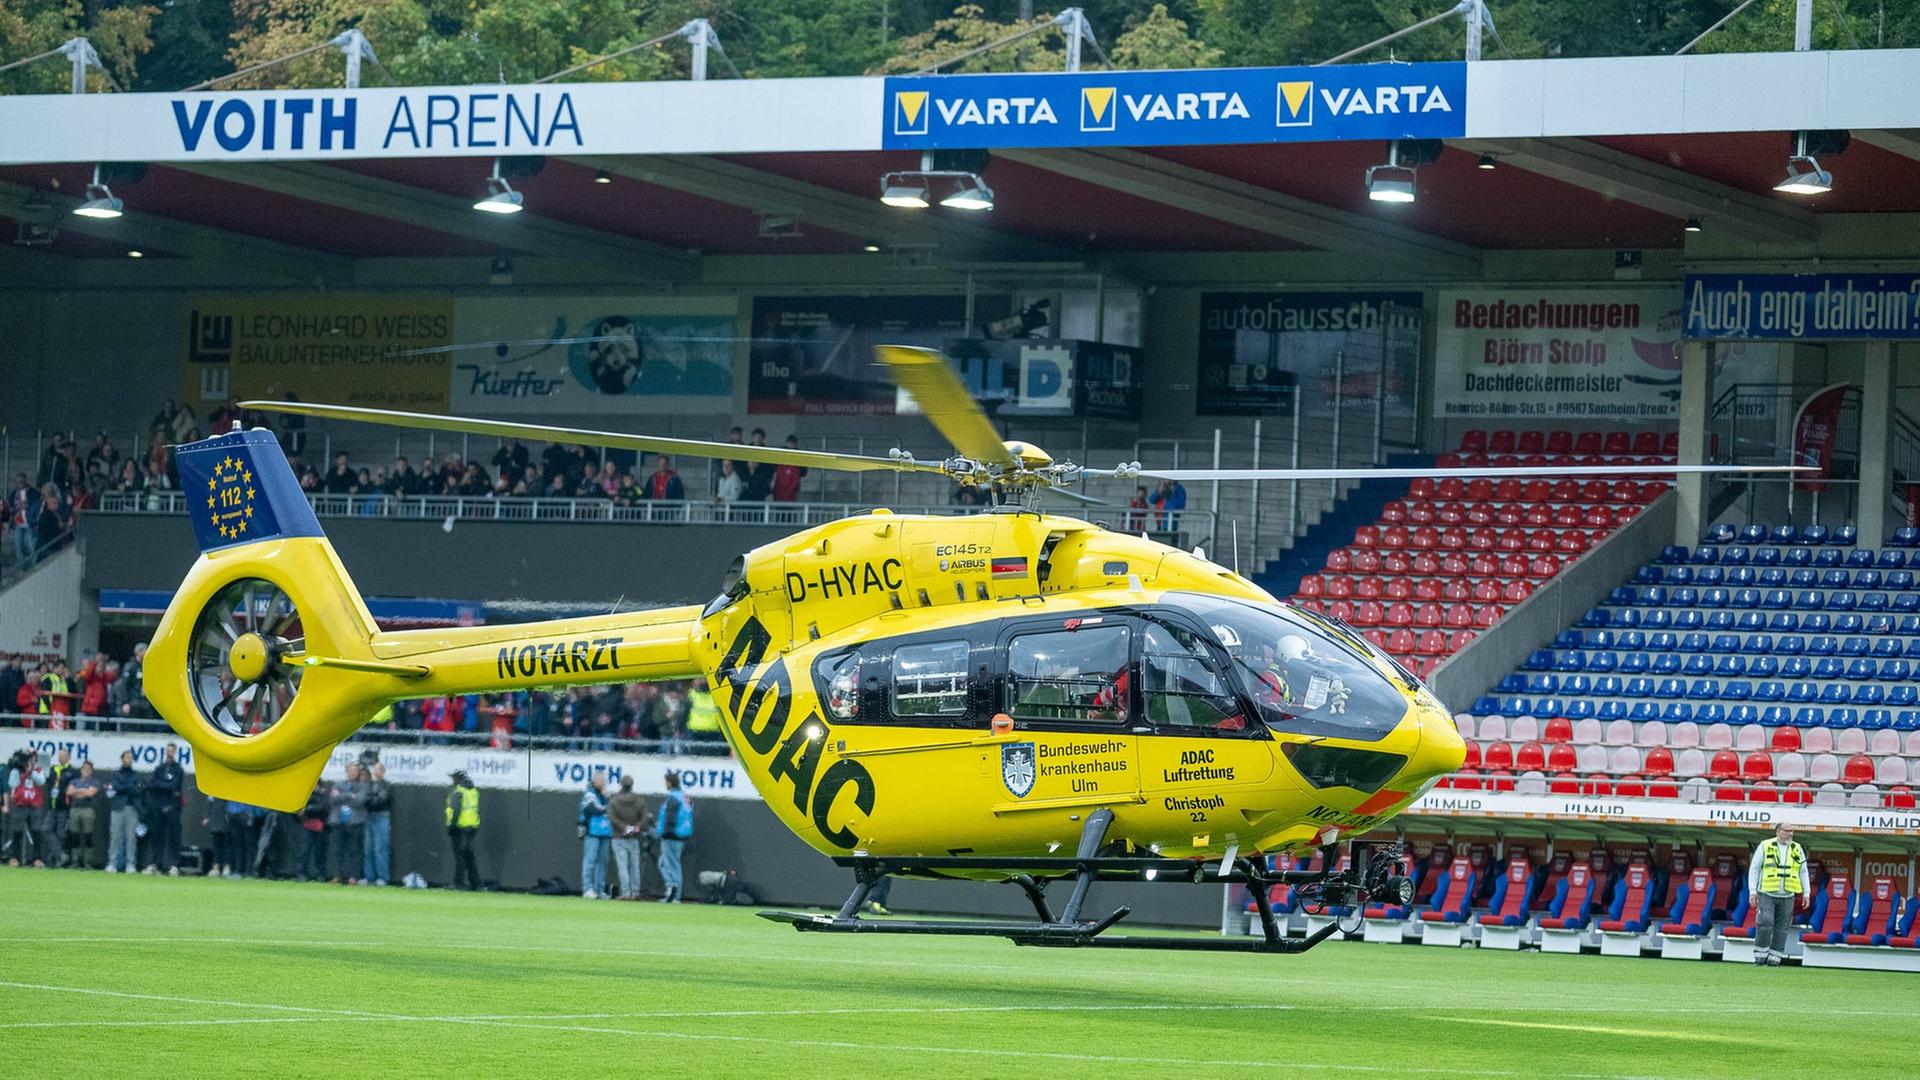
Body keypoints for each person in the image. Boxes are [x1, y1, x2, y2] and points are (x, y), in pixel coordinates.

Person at [1748, 821, 1810, 967]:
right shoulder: (1765, 845)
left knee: (1782, 927)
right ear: (1778, 831)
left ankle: (1775, 958)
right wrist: (1752, 891)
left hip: (1788, 894)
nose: (1790, 834)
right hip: (1766, 892)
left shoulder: (1797, 848)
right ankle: (1760, 956)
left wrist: (1806, 893)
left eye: (1792, 831)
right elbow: (1754, 868)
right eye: (1787, 830)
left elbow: (1803, 871)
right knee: (1765, 921)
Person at [146, 743, 186, 875]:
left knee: (174, 836)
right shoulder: (159, 768)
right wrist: (165, 785)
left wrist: (161, 784)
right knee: (157, 836)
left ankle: (174, 865)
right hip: (159, 806)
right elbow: (152, 785)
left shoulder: (178, 769)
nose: (170, 753)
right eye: (168, 750)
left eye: (172, 751)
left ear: (175, 752)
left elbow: (174, 786)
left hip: (173, 807)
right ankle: (156, 863)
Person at [607, 774, 648, 901]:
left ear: (621, 785)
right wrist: (635, 827)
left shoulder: (614, 800)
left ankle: (626, 892)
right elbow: (645, 817)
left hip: (618, 836)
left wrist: (624, 827)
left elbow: (611, 817)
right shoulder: (639, 800)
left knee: (623, 866)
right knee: (635, 866)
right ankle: (635, 892)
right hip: (634, 837)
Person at [654, 770, 693, 903]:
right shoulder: (684, 797)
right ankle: (671, 889)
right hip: (681, 835)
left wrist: (663, 833)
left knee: (671, 865)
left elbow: (670, 819)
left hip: (671, 836)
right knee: (663, 863)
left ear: (669, 783)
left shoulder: (673, 798)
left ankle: (674, 893)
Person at [5, 750, 47, 866]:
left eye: (32, 758)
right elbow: (12, 784)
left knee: (36, 831)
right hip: (20, 804)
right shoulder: (17, 770)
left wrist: (31, 771)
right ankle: (14, 857)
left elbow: (41, 781)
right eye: (28, 758)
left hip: (35, 805)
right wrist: (17, 770)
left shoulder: (38, 770)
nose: (30, 760)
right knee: (17, 831)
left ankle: (37, 858)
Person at [105, 750, 143, 873]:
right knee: (115, 837)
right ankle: (112, 863)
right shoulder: (115, 774)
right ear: (122, 759)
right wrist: (128, 787)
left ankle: (130, 863)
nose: (129, 759)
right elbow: (114, 786)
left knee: (131, 837)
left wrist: (123, 787)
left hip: (132, 808)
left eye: (131, 758)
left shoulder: (136, 775)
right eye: (127, 757)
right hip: (117, 808)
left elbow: (138, 790)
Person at [331, 763, 367, 884]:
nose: (353, 773)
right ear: (346, 772)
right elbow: (333, 799)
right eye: (351, 770)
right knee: (338, 850)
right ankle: (337, 875)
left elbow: (359, 801)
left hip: (355, 822)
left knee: (354, 850)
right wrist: (349, 795)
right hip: (338, 821)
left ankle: (353, 876)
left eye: (355, 771)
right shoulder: (337, 784)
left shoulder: (363, 786)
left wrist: (341, 796)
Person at [578, 772, 612, 899]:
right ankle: (587, 888)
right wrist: (607, 807)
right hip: (591, 832)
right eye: (599, 780)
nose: (602, 783)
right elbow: (593, 809)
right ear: (594, 781)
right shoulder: (589, 794)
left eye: (603, 781)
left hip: (605, 831)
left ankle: (599, 889)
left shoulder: (605, 796)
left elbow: (612, 808)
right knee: (590, 860)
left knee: (603, 861)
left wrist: (608, 798)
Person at [445, 770, 481, 890]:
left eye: (454, 778)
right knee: (469, 856)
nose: (452, 781)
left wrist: (451, 826)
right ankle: (475, 883)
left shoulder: (459, 792)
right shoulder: (473, 791)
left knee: (460, 857)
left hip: (459, 828)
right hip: (472, 827)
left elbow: (455, 811)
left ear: (458, 779)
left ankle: (458, 882)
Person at [65, 760, 102, 869]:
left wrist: (78, 791)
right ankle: (75, 861)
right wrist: (83, 791)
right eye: (84, 768)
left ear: (91, 771)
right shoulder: (74, 781)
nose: (86, 770)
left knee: (88, 836)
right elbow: (69, 792)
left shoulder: (94, 782)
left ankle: (88, 862)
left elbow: (91, 793)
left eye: (88, 769)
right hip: (75, 809)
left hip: (88, 810)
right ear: (81, 770)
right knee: (74, 836)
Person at [43, 748, 75, 868]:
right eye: (60, 755)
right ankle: (60, 854)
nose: (61, 757)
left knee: (61, 834)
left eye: (64, 755)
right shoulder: (53, 769)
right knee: (46, 829)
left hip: (64, 807)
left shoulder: (71, 771)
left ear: (68, 757)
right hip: (52, 806)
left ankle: (55, 861)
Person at [363, 762, 393, 886]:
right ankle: (369, 877)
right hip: (369, 817)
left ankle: (382, 877)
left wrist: (372, 799)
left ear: (383, 771)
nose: (376, 772)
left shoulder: (387, 785)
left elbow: (382, 800)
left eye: (379, 770)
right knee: (368, 849)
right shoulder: (370, 784)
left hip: (382, 817)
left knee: (380, 849)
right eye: (375, 770)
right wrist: (373, 798)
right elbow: (365, 799)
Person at [295, 779, 331, 882]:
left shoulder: (324, 792)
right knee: (304, 850)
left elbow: (322, 806)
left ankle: (321, 873)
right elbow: (297, 807)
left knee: (320, 851)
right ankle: (301, 873)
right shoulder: (304, 792)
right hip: (306, 823)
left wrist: (306, 809)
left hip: (320, 823)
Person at [771, 435, 806, 503]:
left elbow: (802, 473)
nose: (791, 445)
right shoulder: (780, 455)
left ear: (795, 444)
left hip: (792, 490)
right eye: (790, 443)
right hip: (779, 488)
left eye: (793, 443)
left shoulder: (800, 457)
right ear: (786, 443)